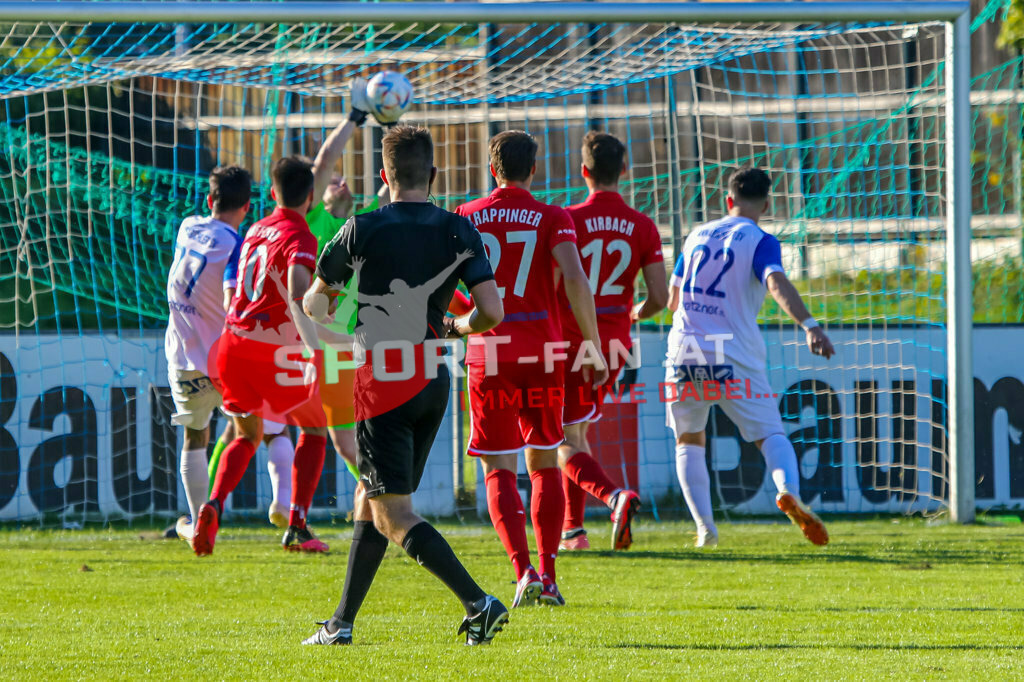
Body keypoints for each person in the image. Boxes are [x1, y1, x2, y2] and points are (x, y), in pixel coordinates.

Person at [301, 125, 509, 646]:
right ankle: (341, 624)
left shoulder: (361, 228)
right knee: (370, 498)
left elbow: (315, 303)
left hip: (382, 383)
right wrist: (456, 327)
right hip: (432, 379)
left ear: (384, 175)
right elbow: (491, 312)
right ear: (433, 174)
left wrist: (329, 306)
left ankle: (478, 603)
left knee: (393, 514)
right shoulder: (458, 229)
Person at [455, 130, 608, 608]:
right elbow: (576, 279)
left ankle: (523, 572)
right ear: (534, 170)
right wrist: (593, 345)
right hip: (544, 354)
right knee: (544, 462)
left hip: (490, 354)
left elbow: (445, 284)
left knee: (498, 467)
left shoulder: (466, 214)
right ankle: (550, 575)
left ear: (491, 169)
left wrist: (461, 319)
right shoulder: (553, 216)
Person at [665, 167, 835, 548]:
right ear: (767, 205)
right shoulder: (761, 240)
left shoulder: (695, 235)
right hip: (733, 352)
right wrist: (810, 325)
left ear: (728, 199)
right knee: (770, 435)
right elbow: (775, 281)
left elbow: (672, 300)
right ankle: (788, 491)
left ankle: (705, 530)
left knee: (688, 439)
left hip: (685, 349)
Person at [193, 155, 330, 556]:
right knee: (314, 428)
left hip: (232, 343)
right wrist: (315, 350)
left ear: (272, 193)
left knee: (246, 435)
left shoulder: (255, 228)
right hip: (271, 350)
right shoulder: (301, 237)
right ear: (311, 197)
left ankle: (214, 503)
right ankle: (297, 526)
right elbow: (298, 293)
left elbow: (238, 288)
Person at [557, 131, 668, 552]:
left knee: (559, 439)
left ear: (583, 171)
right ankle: (573, 531)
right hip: (615, 346)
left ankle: (614, 496)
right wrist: (634, 313)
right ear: (624, 170)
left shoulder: (566, 219)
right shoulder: (642, 225)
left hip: (570, 341)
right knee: (577, 433)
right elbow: (659, 297)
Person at [163, 166, 249, 548]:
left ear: (210, 199)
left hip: (183, 357)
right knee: (262, 432)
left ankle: (199, 521)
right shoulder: (238, 245)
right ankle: (288, 509)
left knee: (194, 436)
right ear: (246, 207)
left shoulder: (187, 226)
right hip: (225, 361)